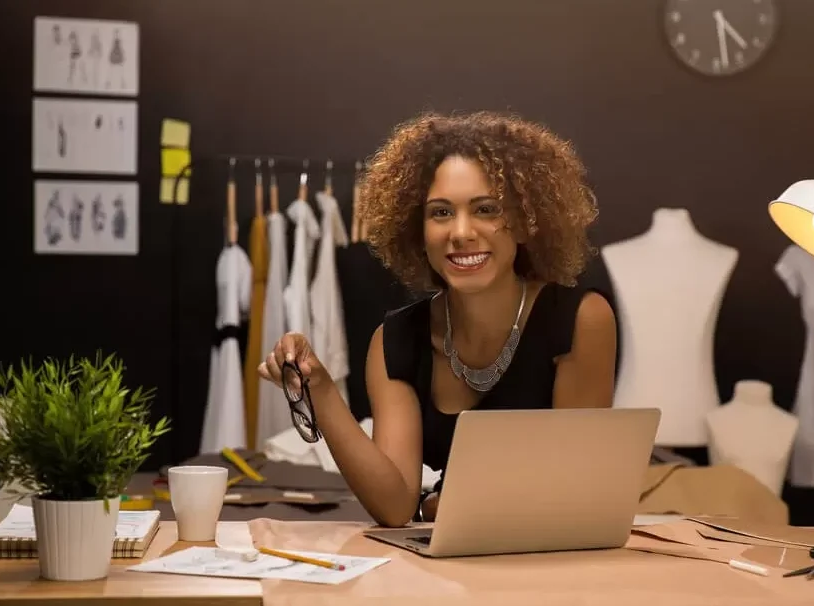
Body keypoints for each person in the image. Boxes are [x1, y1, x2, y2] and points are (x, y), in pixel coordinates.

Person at [259, 111, 618, 526]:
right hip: (447, 570)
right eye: (441, 213)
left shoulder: (578, 322)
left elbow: (576, 490)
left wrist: (442, 504)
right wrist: (318, 389)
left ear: (523, 224)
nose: (461, 232)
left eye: (485, 209)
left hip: (550, 565)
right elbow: (394, 507)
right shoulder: (397, 340)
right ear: (418, 231)